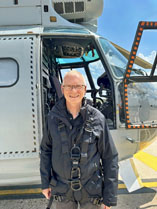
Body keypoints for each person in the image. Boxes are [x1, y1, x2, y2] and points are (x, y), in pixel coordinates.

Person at [40, 70, 119, 209]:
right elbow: (46, 150)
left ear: (85, 89)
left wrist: (109, 196)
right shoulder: (52, 118)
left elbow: (109, 157)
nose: (73, 90)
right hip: (62, 189)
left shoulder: (97, 119)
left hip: (91, 190)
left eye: (78, 86)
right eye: (69, 86)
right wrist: (45, 183)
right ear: (62, 89)